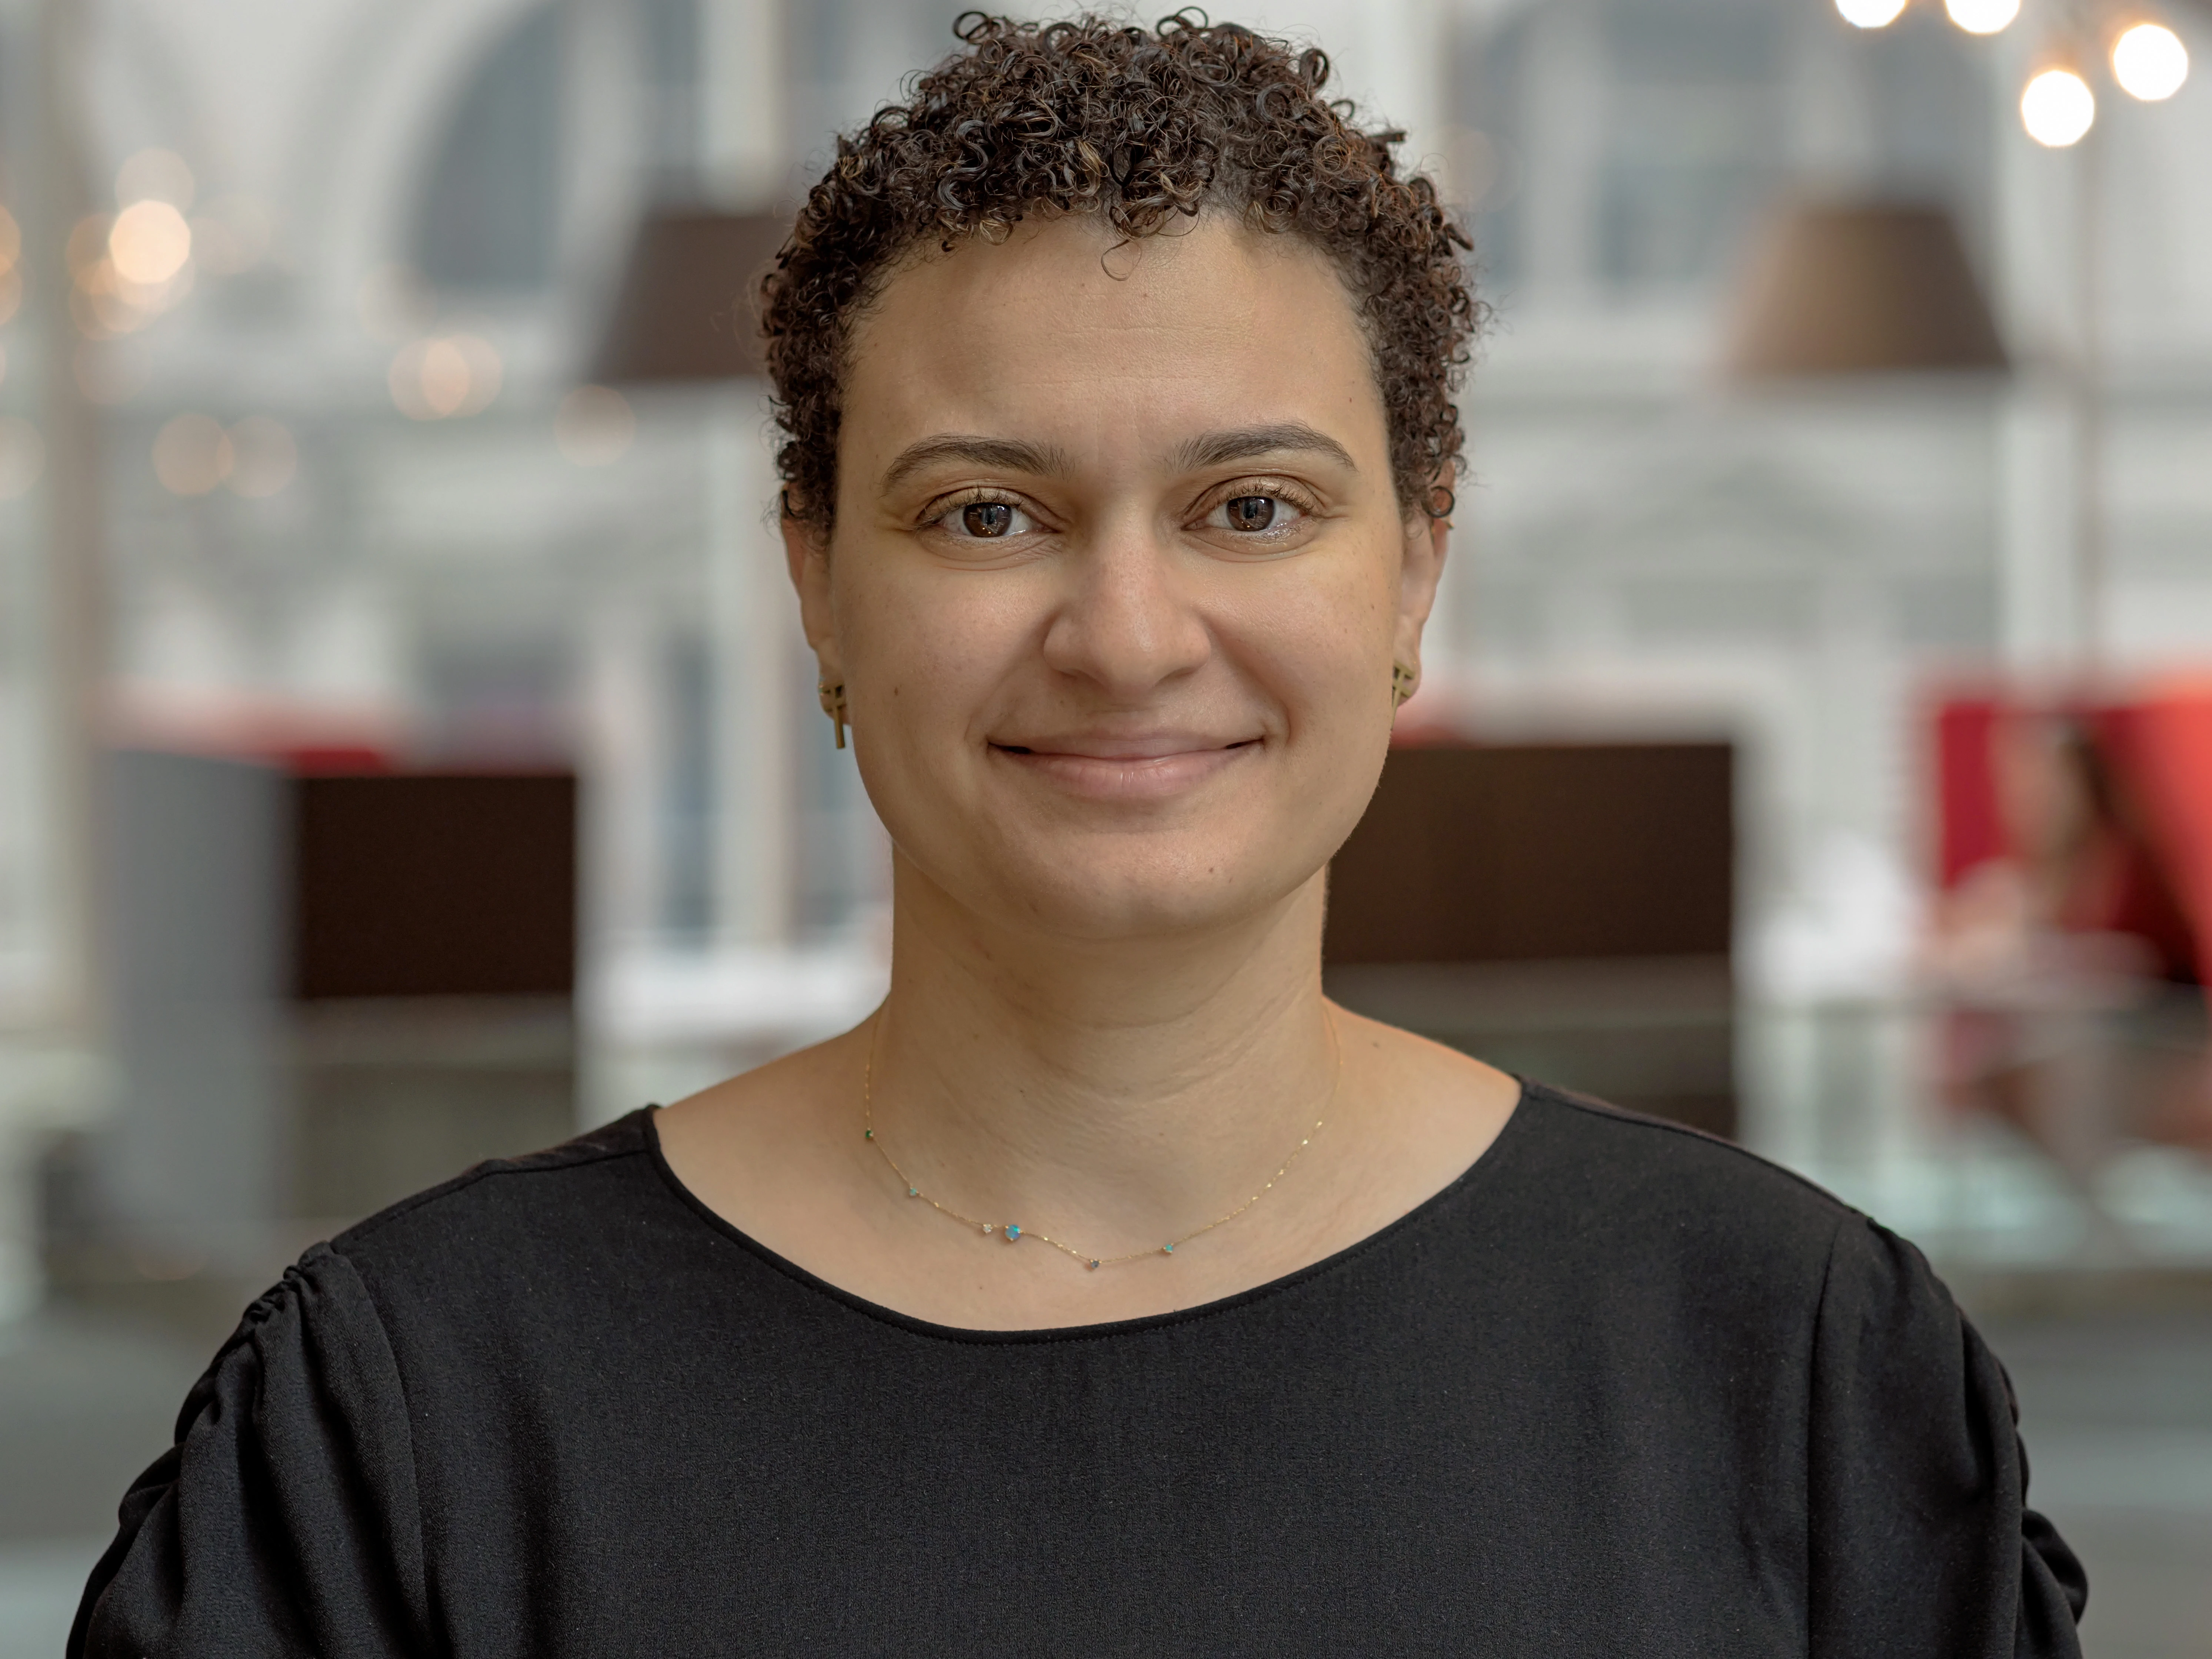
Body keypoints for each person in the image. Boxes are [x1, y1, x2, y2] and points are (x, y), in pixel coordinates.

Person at [75, 14, 2085, 1655]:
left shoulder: (1792, 1369)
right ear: (815, 580)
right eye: (985, 512)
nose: (1128, 637)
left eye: (1255, 506)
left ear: (1416, 576)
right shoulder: (413, 1415)